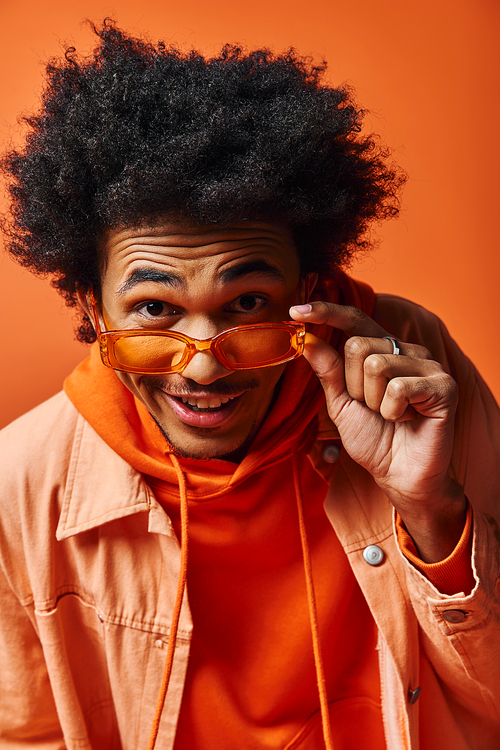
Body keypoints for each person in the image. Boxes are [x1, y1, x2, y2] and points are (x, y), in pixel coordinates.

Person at [0, 20, 499, 750]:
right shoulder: (22, 485)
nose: (204, 365)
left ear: (314, 287)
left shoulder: (414, 372)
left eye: (247, 306)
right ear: (91, 309)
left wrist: (431, 510)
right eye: (154, 310)